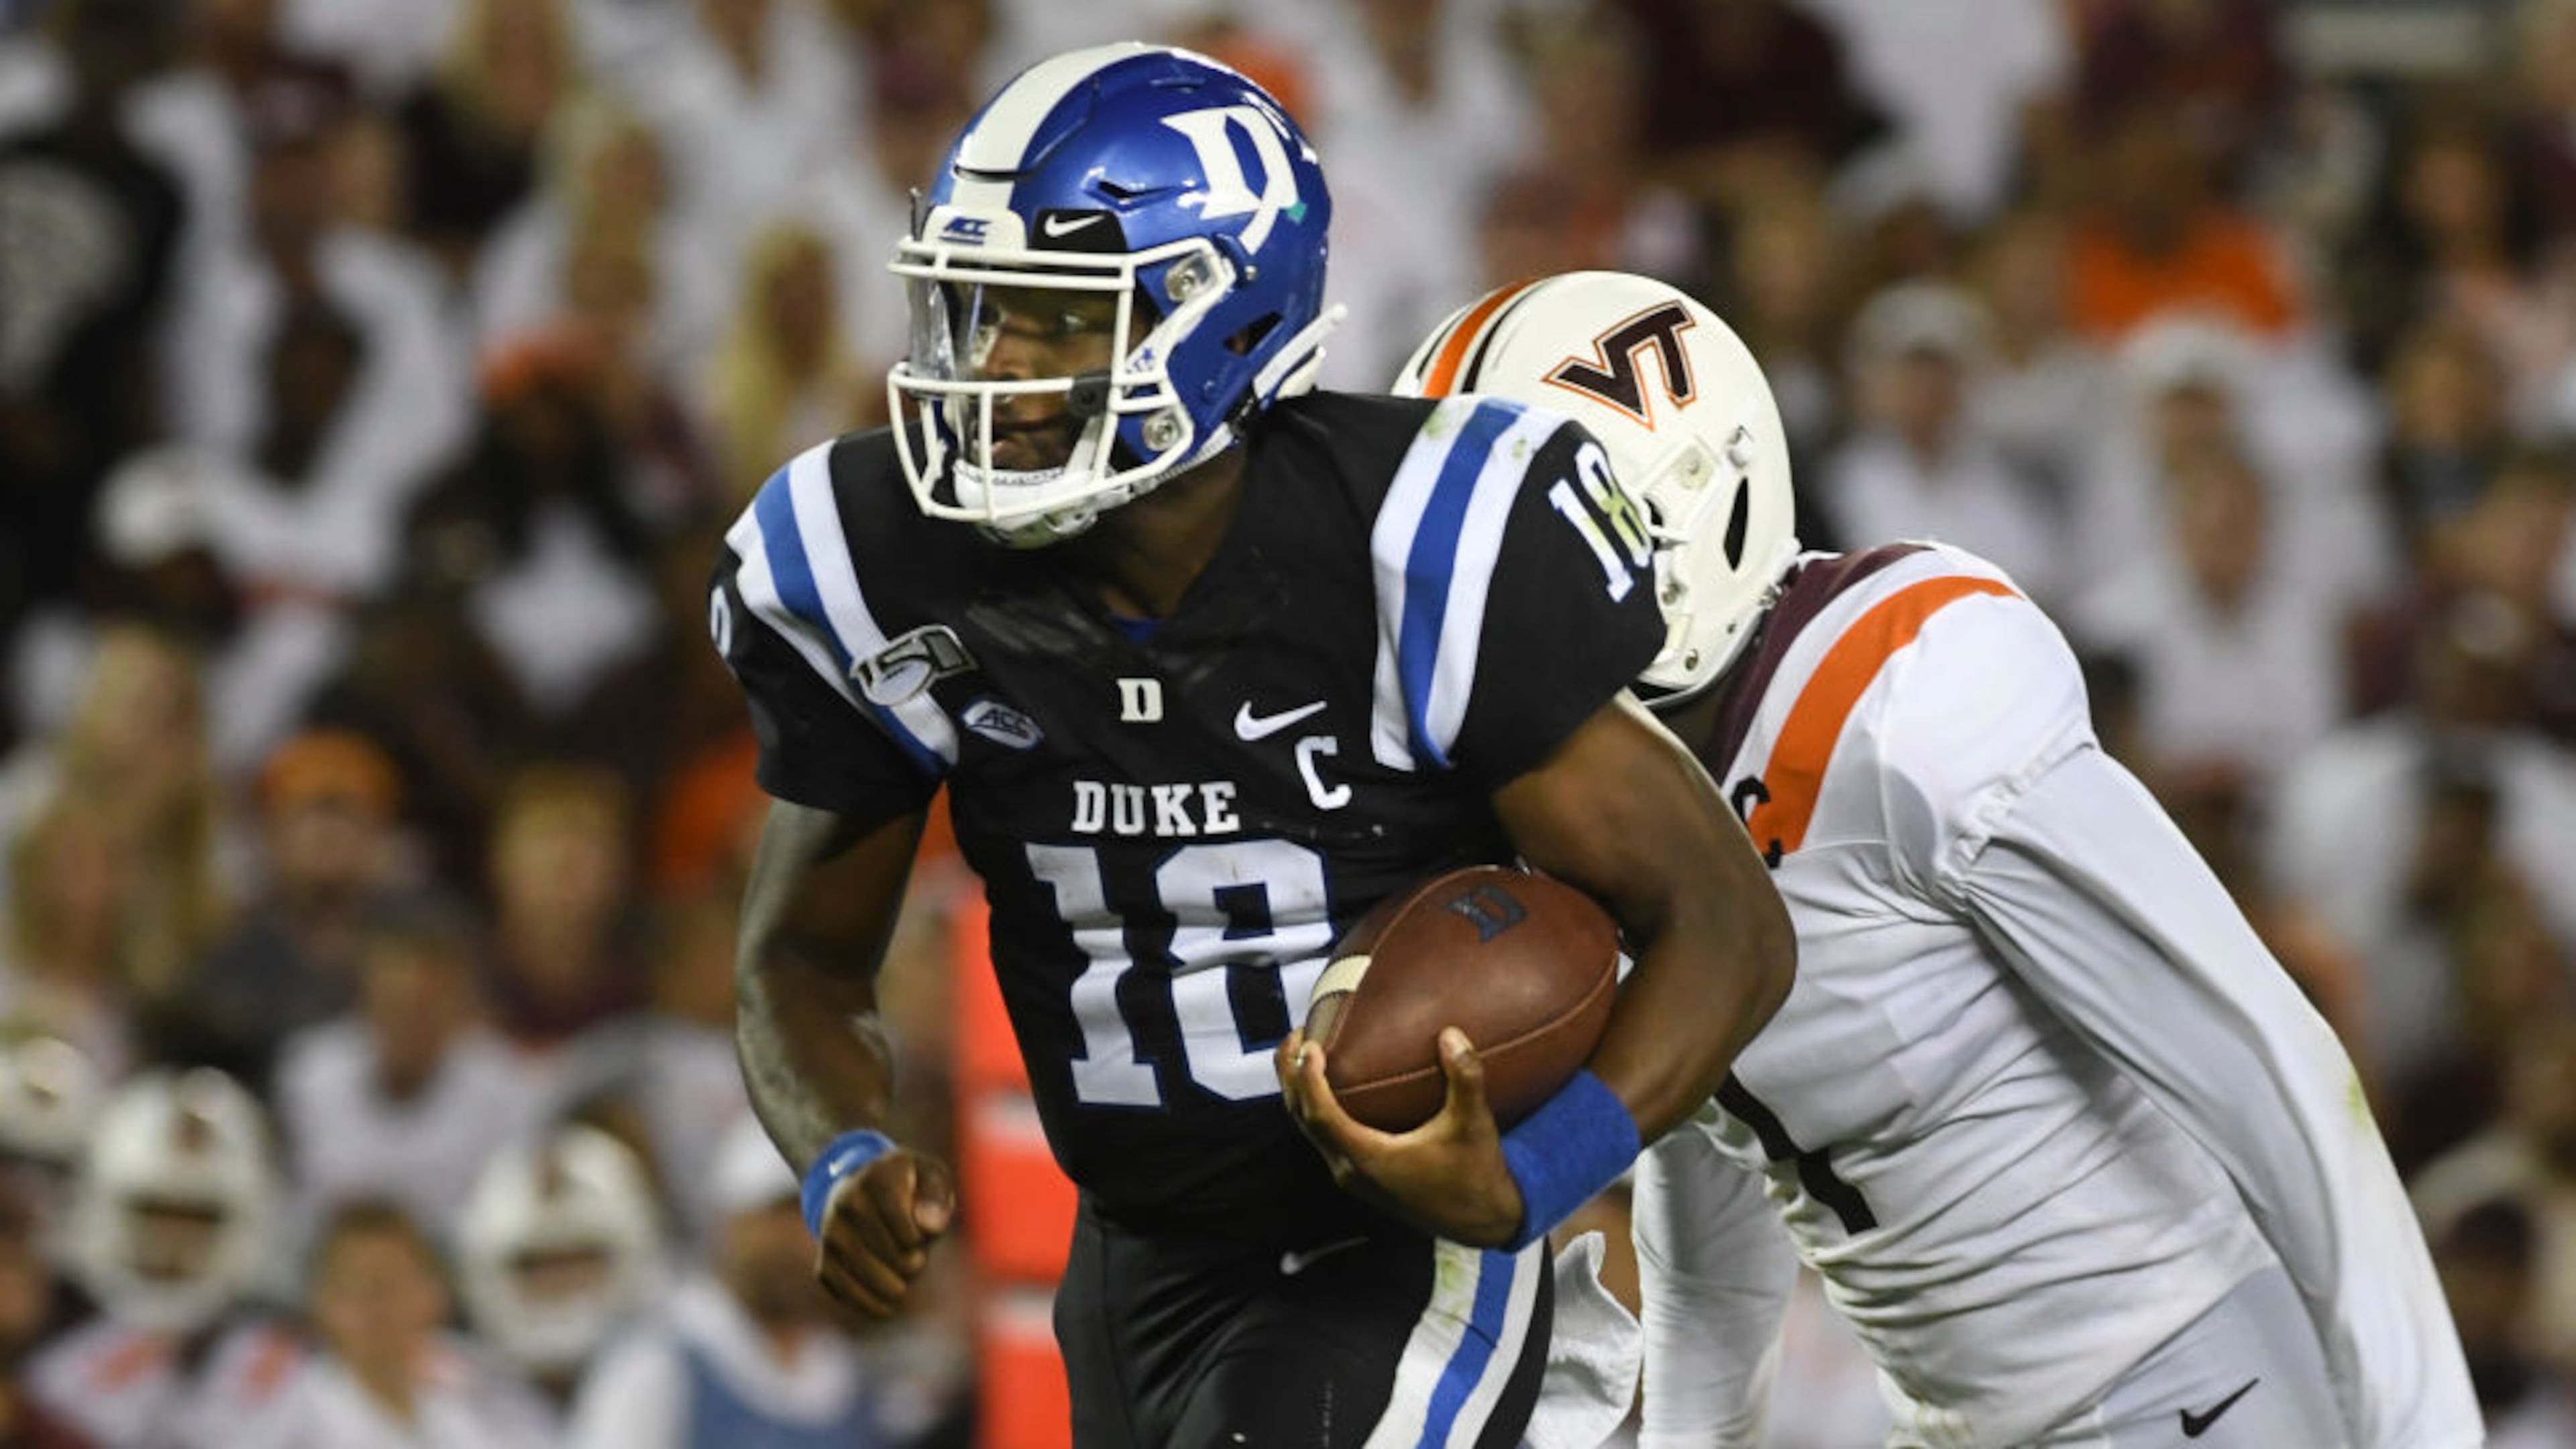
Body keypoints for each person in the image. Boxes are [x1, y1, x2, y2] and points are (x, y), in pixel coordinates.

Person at [706, 43, 1793, 1448]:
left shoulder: (1417, 544)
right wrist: (841, 1148)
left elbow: (1726, 924)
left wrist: (1534, 1172)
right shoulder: (882, 563)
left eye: (1053, 321)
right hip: (1134, 1260)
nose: (999, 371)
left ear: (1217, 320)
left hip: (1393, 1247)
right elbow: (795, 956)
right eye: (979, 315)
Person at [1394, 270, 2479, 1448]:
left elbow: (2264, 1059)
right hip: (1961, 1420)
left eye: (1499, 569)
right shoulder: (1610, 811)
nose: (1463, 629)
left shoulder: (1901, 692)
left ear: (1672, 524)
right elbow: (1713, 1182)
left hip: (2188, 1388)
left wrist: (2422, 1428)